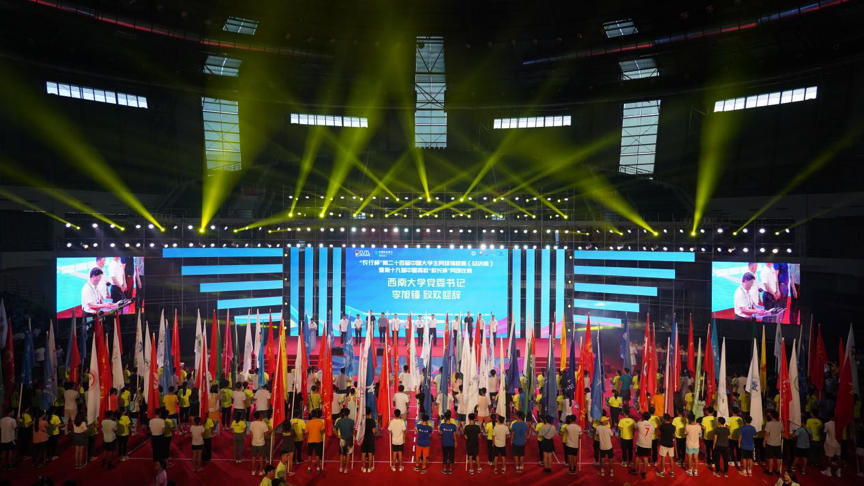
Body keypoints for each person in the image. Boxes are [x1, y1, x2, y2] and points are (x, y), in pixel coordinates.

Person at [634, 411, 655, 479]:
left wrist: (640, 420)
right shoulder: (652, 425)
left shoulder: (640, 423)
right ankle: (644, 472)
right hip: (648, 444)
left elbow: (635, 426)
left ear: (642, 417)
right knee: (646, 458)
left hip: (640, 443)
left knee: (637, 456)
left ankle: (634, 470)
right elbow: (653, 432)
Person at [250, 412, 270, 476]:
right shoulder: (263, 424)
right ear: (260, 416)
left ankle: (253, 471)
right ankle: (261, 471)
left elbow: (251, 433)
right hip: (261, 443)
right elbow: (266, 434)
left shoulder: (252, 423)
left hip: (254, 443)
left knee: (253, 457)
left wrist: (252, 440)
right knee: (261, 458)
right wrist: (271, 430)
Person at [335, 408, 354, 474]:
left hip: (342, 438)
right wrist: (353, 435)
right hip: (349, 439)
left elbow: (335, 429)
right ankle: (346, 468)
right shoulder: (351, 421)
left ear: (343, 413)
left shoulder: (339, 421)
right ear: (348, 413)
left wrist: (337, 435)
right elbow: (353, 430)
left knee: (342, 454)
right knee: (348, 454)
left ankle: (341, 467)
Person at [765, 410, 785, 475]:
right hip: (778, 443)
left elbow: (767, 433)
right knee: (778, 458)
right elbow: (783, 430)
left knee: (770, 457)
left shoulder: (769, 423)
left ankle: (770, 470)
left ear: (771, 416)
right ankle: (778, 470)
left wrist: (764, 441)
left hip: (770, 443)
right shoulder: (780, 424)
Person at [306, 409, 325, 474]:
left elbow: (307, 433)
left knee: (309, 455)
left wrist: (307, 441)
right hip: (318, 440)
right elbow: (322, 431)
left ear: (311, 415)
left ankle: (308, 468)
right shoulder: (320, 422)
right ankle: (318, 468)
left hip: (310, 441)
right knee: (317, 455)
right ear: (316, 415)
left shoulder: (308, 423)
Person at [822, 413, 841, 477]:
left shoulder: (827, 424)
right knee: (838, 457)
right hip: (838, 443)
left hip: (830, 442)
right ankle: (839, 471)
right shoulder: (839, 423)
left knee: (829, 457)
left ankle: (828, 471)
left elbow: (825, 432)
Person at [439, 410, 457, 474]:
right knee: (451, 456)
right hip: (451, 443)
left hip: (445, 443)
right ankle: (450, 469)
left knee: (445, 456)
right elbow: (454, 435)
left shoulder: (442, 425)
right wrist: (455, 442)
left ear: (445, 418)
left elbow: (440, 434)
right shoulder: (453, 426)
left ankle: (444, 469)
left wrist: (440, 435)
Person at [685, 412, 702, 477]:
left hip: (689, 444)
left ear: (689, 419)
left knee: (690, 458)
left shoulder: (687, 426)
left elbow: (685, 433)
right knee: (696, 458)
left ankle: (690, 471)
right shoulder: (698, 427)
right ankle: (695, 471)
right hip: (696, 445)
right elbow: (699, 434)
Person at [360, 407, 376, 473]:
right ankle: (369, 468)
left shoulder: (362, 421)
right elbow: (374, 431)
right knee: (370, 454)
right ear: (370, 413)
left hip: (363, 439)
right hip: (370, 439)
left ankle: (364, 468)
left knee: (363, 454)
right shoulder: (372, 421)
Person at [701, 406, 718, 471]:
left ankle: (708, 462)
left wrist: (701, 426)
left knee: (707, 450)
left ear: (707, 411)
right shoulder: (716, 418)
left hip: (707, 437)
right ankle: (713, 462)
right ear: (713, 412)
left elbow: (704, 428)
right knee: (714, 450)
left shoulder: (704, 419)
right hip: (714, 437)